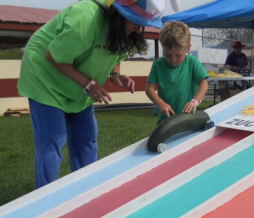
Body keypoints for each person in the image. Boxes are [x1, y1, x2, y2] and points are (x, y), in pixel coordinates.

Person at [17, 0, 166, 189]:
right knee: (52, 139)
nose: (139, 28)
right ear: (120, 14)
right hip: (44, 77)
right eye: (136, 21)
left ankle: (85, 190)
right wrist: (88, 85)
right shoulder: (85, 20)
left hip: (79, 84)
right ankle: (44, 197)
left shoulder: (124, 30)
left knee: (86, 137)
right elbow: (53, 56)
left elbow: (116, 55)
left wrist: (116, 74)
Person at [145, 21, 208, 124]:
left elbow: (204, 84)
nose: (173, 59)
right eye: (168, 54)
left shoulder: (192, 62)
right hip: (165, 119)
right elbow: (149, 89)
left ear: (188, 48)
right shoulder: (158, 64)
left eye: (178, 55)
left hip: (189, 117)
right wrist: (160, 104)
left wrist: (194, 101)